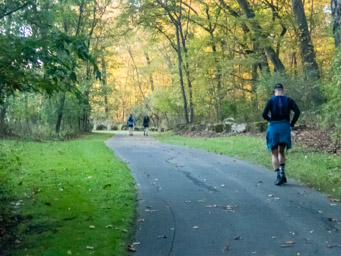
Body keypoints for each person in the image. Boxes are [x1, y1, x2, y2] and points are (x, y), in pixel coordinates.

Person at [262, 83, 300, 186]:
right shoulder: (288, 100)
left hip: (273, 127)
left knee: (274, 153)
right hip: (284, 127)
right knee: (281, 151)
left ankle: (278, 176)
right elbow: (297, 111)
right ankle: (283, 173)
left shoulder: (271, 101)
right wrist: (291, 123)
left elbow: (264, 114)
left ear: (275, 91)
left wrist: (270, 120)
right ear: (282, 90)